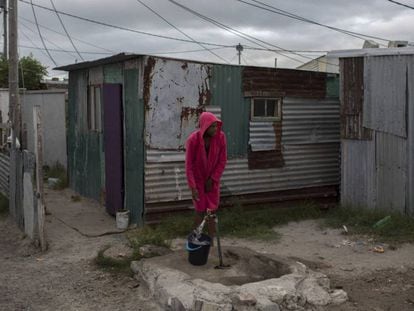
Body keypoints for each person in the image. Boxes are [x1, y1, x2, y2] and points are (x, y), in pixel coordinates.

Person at [185, 112, 227, 242]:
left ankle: (212, 241)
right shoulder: (193, 140)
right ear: (205, 126)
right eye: (212, 126)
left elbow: (222, 161)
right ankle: (194, 240)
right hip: (198, 181)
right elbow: (189, 166)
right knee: (200, 211)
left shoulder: (221, 137)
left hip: (212, 181)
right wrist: (193, 187)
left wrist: (213, 179)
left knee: (212, 211)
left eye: (216, 126)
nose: (215, 129)